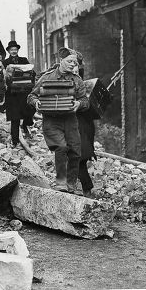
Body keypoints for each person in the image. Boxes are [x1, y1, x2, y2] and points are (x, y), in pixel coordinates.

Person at [27, 51, 89, 194]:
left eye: (75, 62)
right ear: (61, 60)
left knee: (75, 152)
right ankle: (61, 182)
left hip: (70, 120)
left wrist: (79, 104)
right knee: (61, 148)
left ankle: (71, 184)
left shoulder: (77, 80)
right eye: (70, 61)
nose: (73, 64)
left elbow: (86, 101)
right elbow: (31, 96)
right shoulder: (46, 77)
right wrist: (36, 103)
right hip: (51, 120)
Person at [59, 47, 95, 198]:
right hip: (80, 125)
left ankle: (83, 191)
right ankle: (82, 190)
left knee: (77, 159)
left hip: (80, 126)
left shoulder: (77, 84)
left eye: (74, 64)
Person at [3, 40, 35, 147]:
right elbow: (1, 77)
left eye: (15, 49)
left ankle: (26, 125)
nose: (14, 51)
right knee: (14, 117)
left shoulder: (24, 60)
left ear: (17, 50)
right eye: (12, 50)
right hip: (12, 94)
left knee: (29, 111)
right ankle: (15, 140)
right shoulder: (5, 62)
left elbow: (32, 72)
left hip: (24, 92)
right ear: (8, 51)